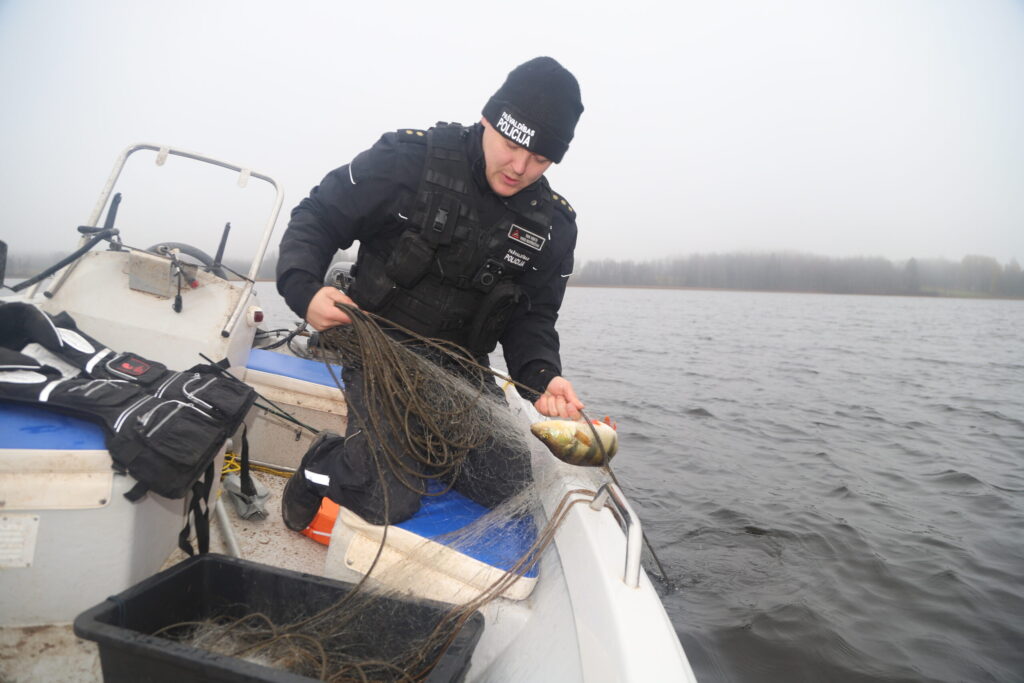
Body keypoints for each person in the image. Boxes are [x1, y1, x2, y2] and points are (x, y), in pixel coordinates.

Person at [276, 56, 585, 529]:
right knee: (386, 494)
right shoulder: (406, 161)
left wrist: (545, 378)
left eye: (540, 159)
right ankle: (320, 465)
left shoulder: (553, 226)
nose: (520, 167)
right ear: (488, 119)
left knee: (511, 484)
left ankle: (414, 442)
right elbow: (317, 216)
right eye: (512, 144)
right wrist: (305, 289)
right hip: (378, 346)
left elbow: (533, 320)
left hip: (459, 370)